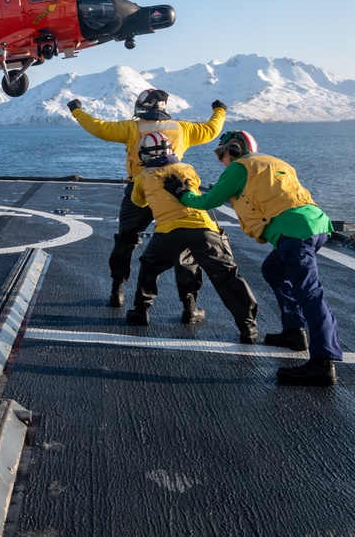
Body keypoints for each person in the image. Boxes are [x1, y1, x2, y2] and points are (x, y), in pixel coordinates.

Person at [164, 130, 343, 386]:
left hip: (294, 233)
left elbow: (208, 201)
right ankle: (294, 332)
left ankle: (323, 363)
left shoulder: (239, 167)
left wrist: (183, 194)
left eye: (220, 153)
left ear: (234, 150)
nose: (219, 159)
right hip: (316, 225)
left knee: (310, 293)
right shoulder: (276, 162)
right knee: (274, 269)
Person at [67, 89, 226, 308]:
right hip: (175, 191)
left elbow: (99, 127)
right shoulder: (183, 129)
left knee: (126, 239)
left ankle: (117, 290)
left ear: (141, 107)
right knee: (185, 243)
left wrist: (77, 111)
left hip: (139, 187)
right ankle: (189, 305)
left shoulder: (132, 127)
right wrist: (220, 110)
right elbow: (212, 129)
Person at [126, 132, 259, 343]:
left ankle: (141, 311)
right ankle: (246, 327)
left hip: (168, 231)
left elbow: (138, 202)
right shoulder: (187, 169)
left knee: (150, 266)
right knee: (226, 276)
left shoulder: (143, 177)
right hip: (204, 229)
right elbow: (194, 185)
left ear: (145, 154)